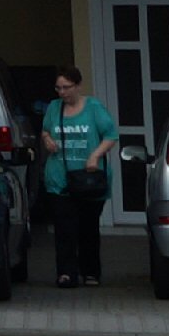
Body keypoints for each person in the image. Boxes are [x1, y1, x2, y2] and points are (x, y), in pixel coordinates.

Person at [38, 70, 120, 289]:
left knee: (87, 228)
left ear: (78, 86)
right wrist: (47, 140)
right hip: (60, 178)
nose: (62, 92)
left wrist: (95, 155)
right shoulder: (54, 108)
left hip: (88, 179)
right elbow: (45, 131)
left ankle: (90, 271)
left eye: (66, 87)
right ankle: (66, 273)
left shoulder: (93, 108)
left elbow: (111, 136)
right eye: (58, 88)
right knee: (64, 228)